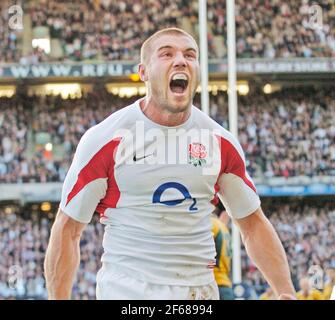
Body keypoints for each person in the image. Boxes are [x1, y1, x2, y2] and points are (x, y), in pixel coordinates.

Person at [44, 27, 296, 300]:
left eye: (190, 54)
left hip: (197, 294)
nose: (181, 60)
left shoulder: (219, 142)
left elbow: (253, 224)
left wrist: (286, 292)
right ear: (143, 72)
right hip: (128, 293)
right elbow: (67, 229)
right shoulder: (106, 139)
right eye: (167, 54)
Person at [211, 201, 234, 300]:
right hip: (225, 284)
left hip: (214, 284)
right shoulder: (224, 228)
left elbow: (206, 256)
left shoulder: (211, 225)